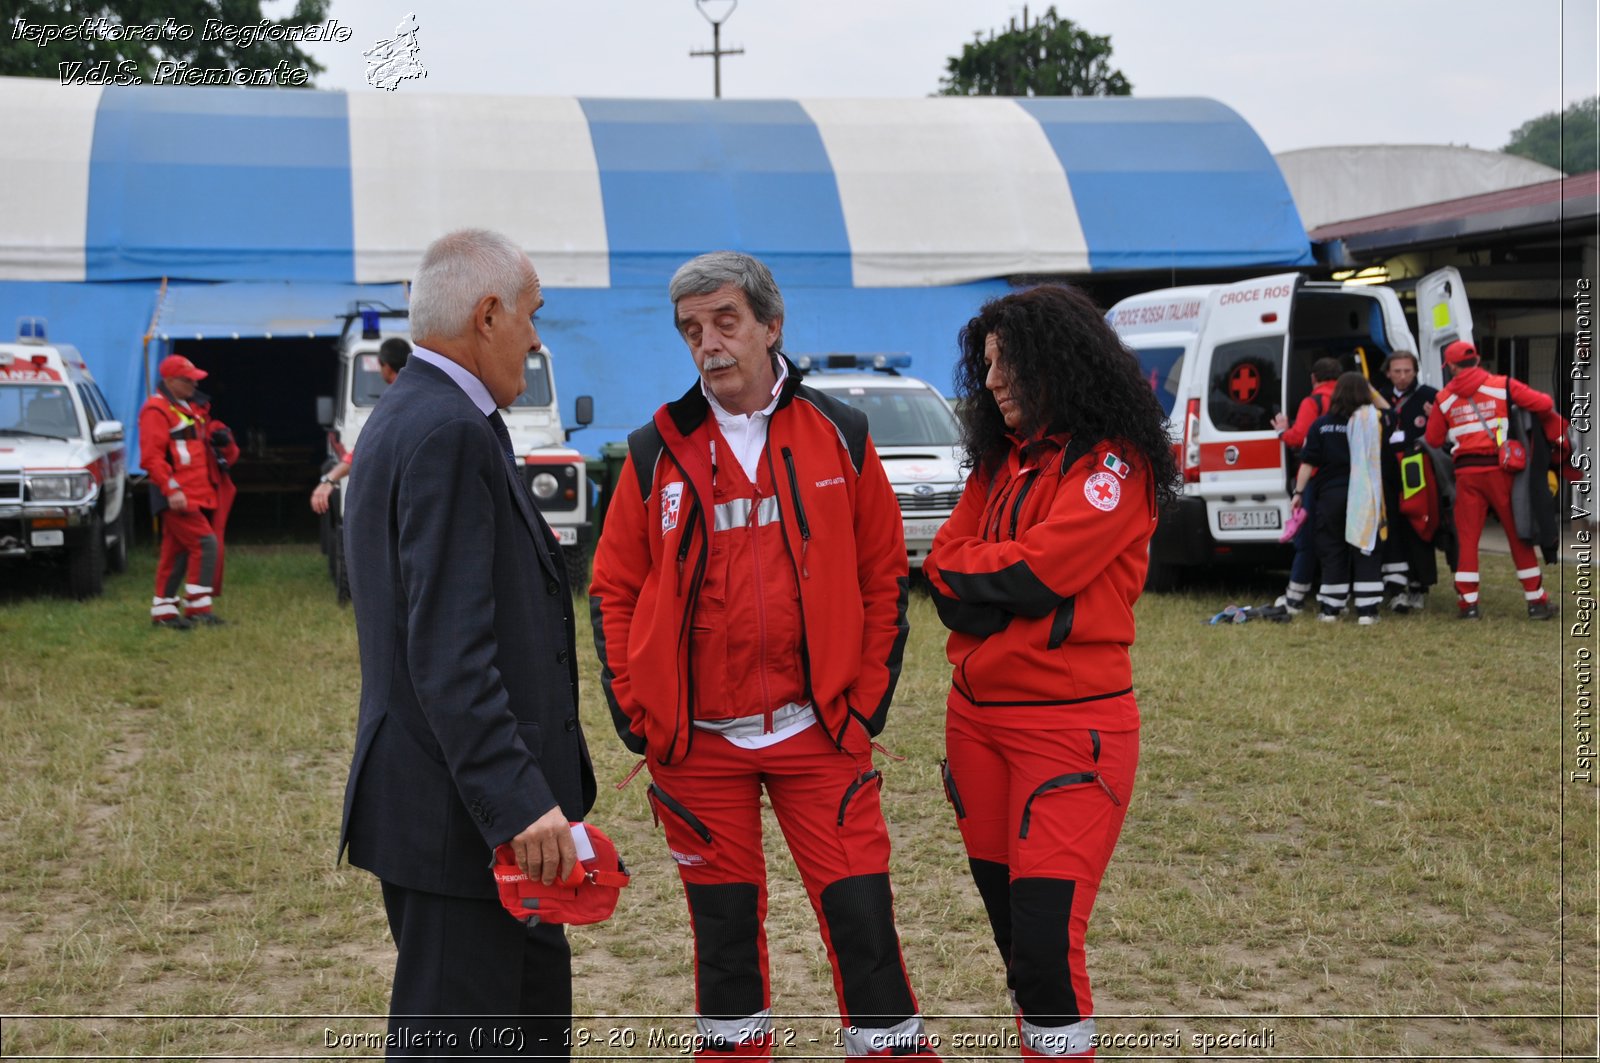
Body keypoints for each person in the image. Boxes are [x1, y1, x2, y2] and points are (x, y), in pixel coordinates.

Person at [589, 251, 939, 1060]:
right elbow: (613, 588)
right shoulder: (655, 449)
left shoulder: (840, 434)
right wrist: (640, 713)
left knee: (864, 926)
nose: (708, 343)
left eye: (725, 321)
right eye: (690, 329)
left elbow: (883, 572)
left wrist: (864, 702)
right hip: (700, 746)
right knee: (723, 944)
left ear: (771, 326)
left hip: (819, 733)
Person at [339, 229, 596, 1058]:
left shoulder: (419, 412)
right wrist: (519, 803)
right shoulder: (446, 430)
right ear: (487, 315)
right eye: (531, 315)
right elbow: (450, 656)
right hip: (461, 827)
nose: (536, 336)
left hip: (458, 814)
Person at [923, 284, 1178, 1059]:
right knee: (1018, 949)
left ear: (1058, 364)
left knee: (1043, 949)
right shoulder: (999, 465)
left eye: (1009, 365)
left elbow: (1037, 575)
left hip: (1071, 735)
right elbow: (941, 574)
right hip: (975, 726)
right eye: (988, 366)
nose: (992, 381)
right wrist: (989, 579)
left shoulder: (1114, 465)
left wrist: (985, 577)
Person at [1424, 340, 1561, 620]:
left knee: (1468, 538)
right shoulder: (1502, 385)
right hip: (1502, 471)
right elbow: (1545, 403)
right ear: (1477, 360)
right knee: (1517, 535)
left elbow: (1433, 440)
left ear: (1450, 366)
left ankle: (1468, 604)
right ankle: (1536, 601)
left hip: (1466, 475)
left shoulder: (1444, 399)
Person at [1290, 372, 1387, 625]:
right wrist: (1371, 391)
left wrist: (1298, 494)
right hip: (1364, 497)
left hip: (1330, 496)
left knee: (1332, 549)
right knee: (1365, 548)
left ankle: (1331, 609)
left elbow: (1308, 463)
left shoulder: (1321, 425)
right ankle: (1367, 611)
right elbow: (1390, 412)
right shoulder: (1374, 421)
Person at [138, 354, 226, 629]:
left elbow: (198, 442)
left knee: (175, 552)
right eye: (188, 380)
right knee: (205, 544)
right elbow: (152, 458)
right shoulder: (156, 410)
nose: (193, 385)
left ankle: (163, 612)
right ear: (170, 381)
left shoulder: (188, 407)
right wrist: (171, 489)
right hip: (177, 494)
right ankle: (198, 607)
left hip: (194, 492)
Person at [1271, 356, 1342, 613]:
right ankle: (1339, 598)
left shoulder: (1313, 401)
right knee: (1338, 541)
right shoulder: (1350, 401)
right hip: (1344, 481)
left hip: (1314, 479)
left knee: (1306, 539)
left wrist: (1281, 431)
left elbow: (1298, 438)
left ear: (1314, 378)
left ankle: (1295, 598)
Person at [311, 337, 411, 515]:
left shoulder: (391, 402)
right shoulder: (423, 392)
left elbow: (364, 452)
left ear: (386, 366)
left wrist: (329, 479)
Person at [1375, 351, 1438, 612]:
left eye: (1407, 371)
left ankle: (1418, 586)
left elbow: (1442, 436)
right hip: (1386, 470)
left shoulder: (1429, 396)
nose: (1402, 376)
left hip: (1416, 469)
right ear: (1388, 372)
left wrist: (1436, 417)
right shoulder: (1377, 398)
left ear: (1415, 371)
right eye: (1397, 371)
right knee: (1393, 528)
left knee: (1418, 525)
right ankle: (1395, 588)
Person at [189, 388, 239, 598]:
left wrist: (224, 444)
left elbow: (232, 455)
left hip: (212, 491)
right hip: (188, 493)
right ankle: (198, 595)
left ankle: (204, 593)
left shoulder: (211, 428)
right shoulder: (175, 423)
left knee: (211, 541)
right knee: (202, 543)